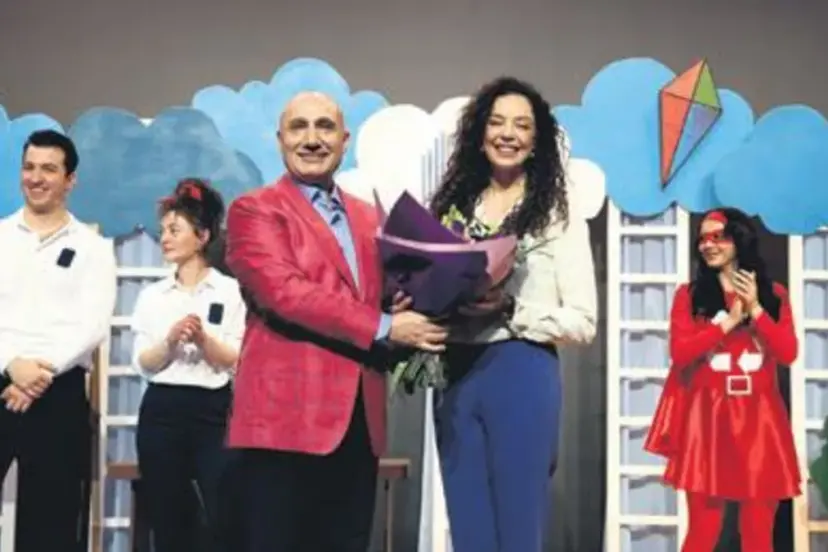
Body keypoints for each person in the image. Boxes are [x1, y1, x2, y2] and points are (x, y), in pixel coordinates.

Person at [224, 91, 448, 552]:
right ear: (280, 140)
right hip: (284, 422)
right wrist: (385, 326)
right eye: (299, 127)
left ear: (345, 141)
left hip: (358, 424)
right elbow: (283, 293)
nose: (312, 139)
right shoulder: (255, 209)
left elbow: (379, 299)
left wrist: (412, 301)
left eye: (324, 127)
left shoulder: (369, 216)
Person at [428, 76, 598, 552]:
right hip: (456, 375)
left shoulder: (558, 215)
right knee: (468, 528)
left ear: (537, 140)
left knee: (519, 525)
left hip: (522, 371)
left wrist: (512, 309)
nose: (508, 134)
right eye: (497, 122)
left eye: (522, 125)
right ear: (479, 134)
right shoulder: (451, 209)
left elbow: (583, 321)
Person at [644, 208, 800, 552]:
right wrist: (728, 322)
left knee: (759, 532)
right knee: (703, 530)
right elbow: (681, 353)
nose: (708, 245)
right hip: (708, 422)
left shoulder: (774, 294)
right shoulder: (689, 295)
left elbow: (788, 352)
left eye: (718, 236)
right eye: (702, 238)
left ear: (739, 239)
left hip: (760, 422)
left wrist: (756, 309)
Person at [0, 129, 117, 551]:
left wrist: (38, 373)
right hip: (3, 374)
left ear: (70, 180)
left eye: (48, 169)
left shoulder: (93, 247)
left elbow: (93, 324)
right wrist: (11, 364)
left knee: (52, 524)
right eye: (29, 167)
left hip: (59, 390)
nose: (36, 178)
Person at [130, 178, 245, 552]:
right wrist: (170, 342)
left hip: (214, 409)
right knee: (168, 517)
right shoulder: (152, 296)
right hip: (162, 410)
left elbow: (238, 360)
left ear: (202, 236)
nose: (165, 238)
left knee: (224, 513)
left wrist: (204, 341)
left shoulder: (231, 292)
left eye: (174, 230)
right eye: (163, 230)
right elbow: (143, 362)